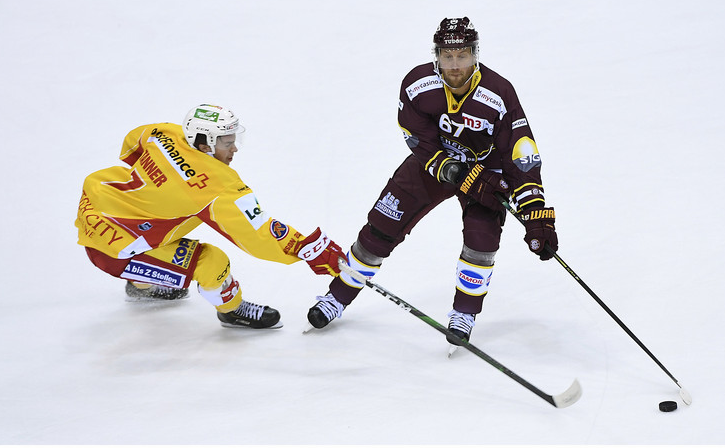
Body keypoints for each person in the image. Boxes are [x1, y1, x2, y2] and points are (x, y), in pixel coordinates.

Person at [306, 18, 558, 346]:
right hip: (433, 165)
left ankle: (464, 313)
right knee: (381, 227)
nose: (455, 65)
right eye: (447, 56)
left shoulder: (499, 92)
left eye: (463, 55)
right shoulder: (417, 85)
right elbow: (420, 140)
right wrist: (453, 170)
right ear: (436, 55)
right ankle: (336, 298)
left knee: (482, 242)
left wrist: (534, 211)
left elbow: (520, 152)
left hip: (487, 170)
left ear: (475, 55)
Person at [76, 103, 345, 329]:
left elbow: (133, 142)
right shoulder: (217, 186)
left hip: (97, 206)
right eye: (228, 143)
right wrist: (305, 248)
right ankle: (231, 310)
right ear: (205, 145)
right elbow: (258, 234)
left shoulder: (164, 134)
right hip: (115, 250)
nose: (235, 149)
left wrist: (161, 182)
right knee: (212, 262)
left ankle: (141, 285)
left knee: (163, 228)